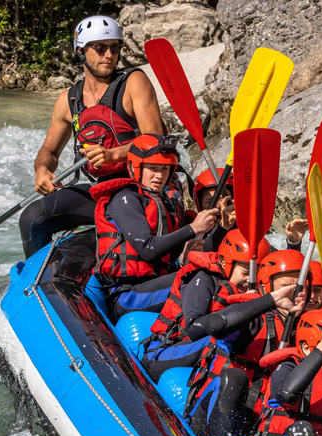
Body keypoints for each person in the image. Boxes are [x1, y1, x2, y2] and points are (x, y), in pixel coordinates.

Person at [19, 15, 166, 258]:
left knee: (128, 225)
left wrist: (114, 155)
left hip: (139, 189)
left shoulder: (134, 83)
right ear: (80, 50)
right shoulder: (68, 101)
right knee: (33, 218)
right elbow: (50, 152)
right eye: (99, 48)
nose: (108, 55)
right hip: (100, 190)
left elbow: (155, 140)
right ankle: (42, 280)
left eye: (114, 48)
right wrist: (42, 171)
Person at [184, 249, 308, 436]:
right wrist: (271, 301)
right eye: (286, 286)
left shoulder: (309, 329)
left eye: (300, 286)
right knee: (235, 377)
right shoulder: (252, 321)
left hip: (259, 427)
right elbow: (216, 325)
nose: (294, 292)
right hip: (214, 417)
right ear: (267, 287)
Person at [90, 134, 218, 318]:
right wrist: (193, 229)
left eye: (165, 169)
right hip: (129, 296)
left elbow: (165, 259)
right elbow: (148, 249)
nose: (159, 175)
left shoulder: (164, 203)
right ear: (135, 167)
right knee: (201, 277)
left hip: (153, 284)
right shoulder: (125, 199)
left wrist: (183, 255)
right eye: (152, 168)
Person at [141, 229, 271, 380]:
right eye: (245, 272)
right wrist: (243, 308)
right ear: (224, 263)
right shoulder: (203, 279)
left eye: (256, 274)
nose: (250, 280)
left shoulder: (254, 290)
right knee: (219, 336)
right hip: (163, 352)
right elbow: (194, 329)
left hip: (204, 361)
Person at [192, 168, 236, 251]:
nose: (219, 206)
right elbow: (203, 250)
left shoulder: (244, 226)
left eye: (224, 200)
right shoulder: (195, 232)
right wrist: (223, 227)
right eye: (210, 201)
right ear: (200, 205)